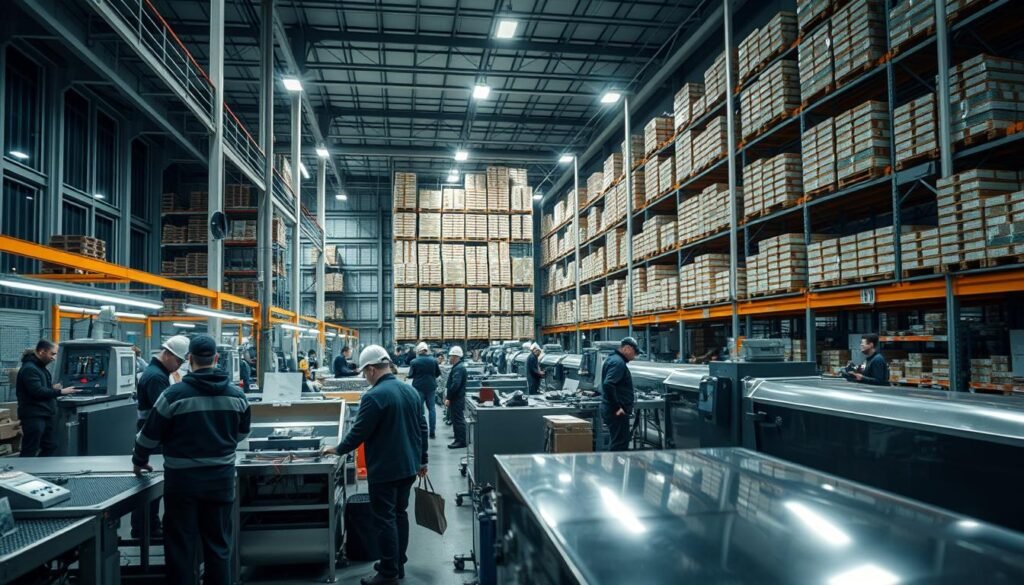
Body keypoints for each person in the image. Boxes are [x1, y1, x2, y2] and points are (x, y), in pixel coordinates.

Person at [132, 335, 251, 585]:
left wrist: (140, 459)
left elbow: (149, 435)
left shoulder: (173, 396)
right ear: (216, 359)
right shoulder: (238, 396)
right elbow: (241, 434)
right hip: (220, 481)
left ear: (189, 359)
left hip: (182, 483)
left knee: (181, 546)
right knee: (218, 545)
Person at [321, 345, 427, 585]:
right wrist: (423, 459)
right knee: (399, 514)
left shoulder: (373, 396)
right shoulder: (410, 391)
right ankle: (397, 563)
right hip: (409, 466)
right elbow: (422, 427)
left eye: (364, 372)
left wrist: (337, 449)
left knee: (385, 519)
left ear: (370, 369)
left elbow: (359, 432)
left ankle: (388, 572)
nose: (365, 377)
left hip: (385, 469)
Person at [130, 335, 189, 539]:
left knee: (151, 482)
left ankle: (148, 525)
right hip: (153, 437)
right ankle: (145, 528)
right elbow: (163, 412)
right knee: (150, 483)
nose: (179, 366)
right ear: (167, 354)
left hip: (151, 434)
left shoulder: (157, 373)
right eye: (178, 361)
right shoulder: (156, 377)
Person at [17, 340, 79, 457]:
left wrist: (51, 388)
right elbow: (37, 391)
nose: (54, 358)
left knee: (51, 446)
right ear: (42, 352)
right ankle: (26, 467)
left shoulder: (40, 368)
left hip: (44, 414)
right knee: (30, 448)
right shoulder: (30, 369)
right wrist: (61, 392)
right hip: (34, 415)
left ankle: (39, 467)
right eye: (52, 354)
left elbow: (38, 387)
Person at [601, 337, 638, 452]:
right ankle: (617, 464)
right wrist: (617, 407)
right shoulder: (618, 363)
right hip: (616, 411)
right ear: (627, 348)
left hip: (612, 409)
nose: (634, 356)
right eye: (634, 352)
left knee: (617, 441)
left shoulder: (613, 359)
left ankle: (615, 463)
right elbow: (608, 384)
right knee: (620, 444)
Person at [408, 342, 442, 439]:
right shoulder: (434, 361)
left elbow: (411, 375)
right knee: (432, 409)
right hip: (431, 387)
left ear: (418, 351)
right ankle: (432, 432)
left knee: (420, 410)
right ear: (426, 350)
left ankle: (421, 430)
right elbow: (438, 373)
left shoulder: (414, 362)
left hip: (418, 388)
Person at [444, 346, 467, 449]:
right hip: (457, 398)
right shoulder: (458, 367)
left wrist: (449, 397)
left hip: (456, 399)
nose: (449, 358)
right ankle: (458, 439)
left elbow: (455, 385)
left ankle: (461, 441)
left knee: (457, 420)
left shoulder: (459, 368)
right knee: (456, 419)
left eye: (451, 356)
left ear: (455, 356)